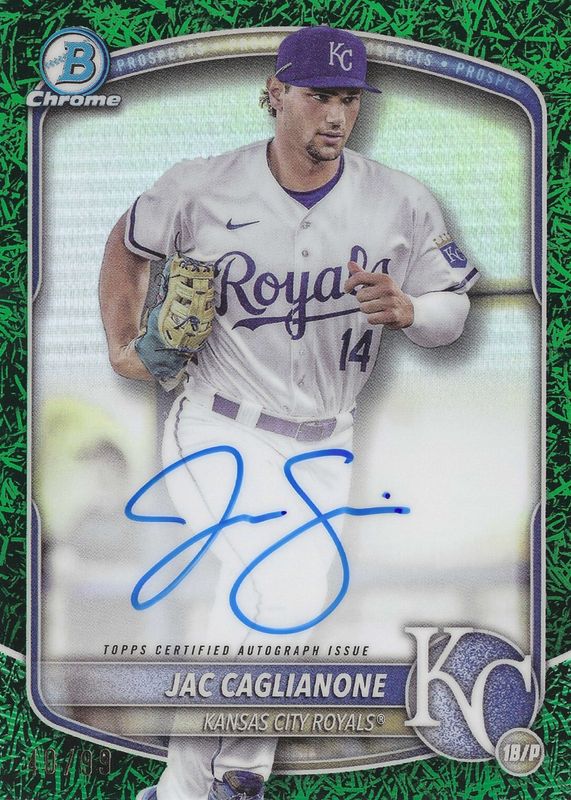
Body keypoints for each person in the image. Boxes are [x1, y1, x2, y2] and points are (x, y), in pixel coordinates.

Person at [100, 24, 479, 800]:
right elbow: (128, 243)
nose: (335, 115)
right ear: (275, 94)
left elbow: (453, 309)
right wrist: (122, 343)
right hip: (216, 425)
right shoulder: (202, 186)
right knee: (277, 581)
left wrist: (413, 309)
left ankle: (197, 782)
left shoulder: (400, 200)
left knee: (280, 597)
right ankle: (227, 771)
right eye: (317, 96)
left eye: (348, 99)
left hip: (327, 441)